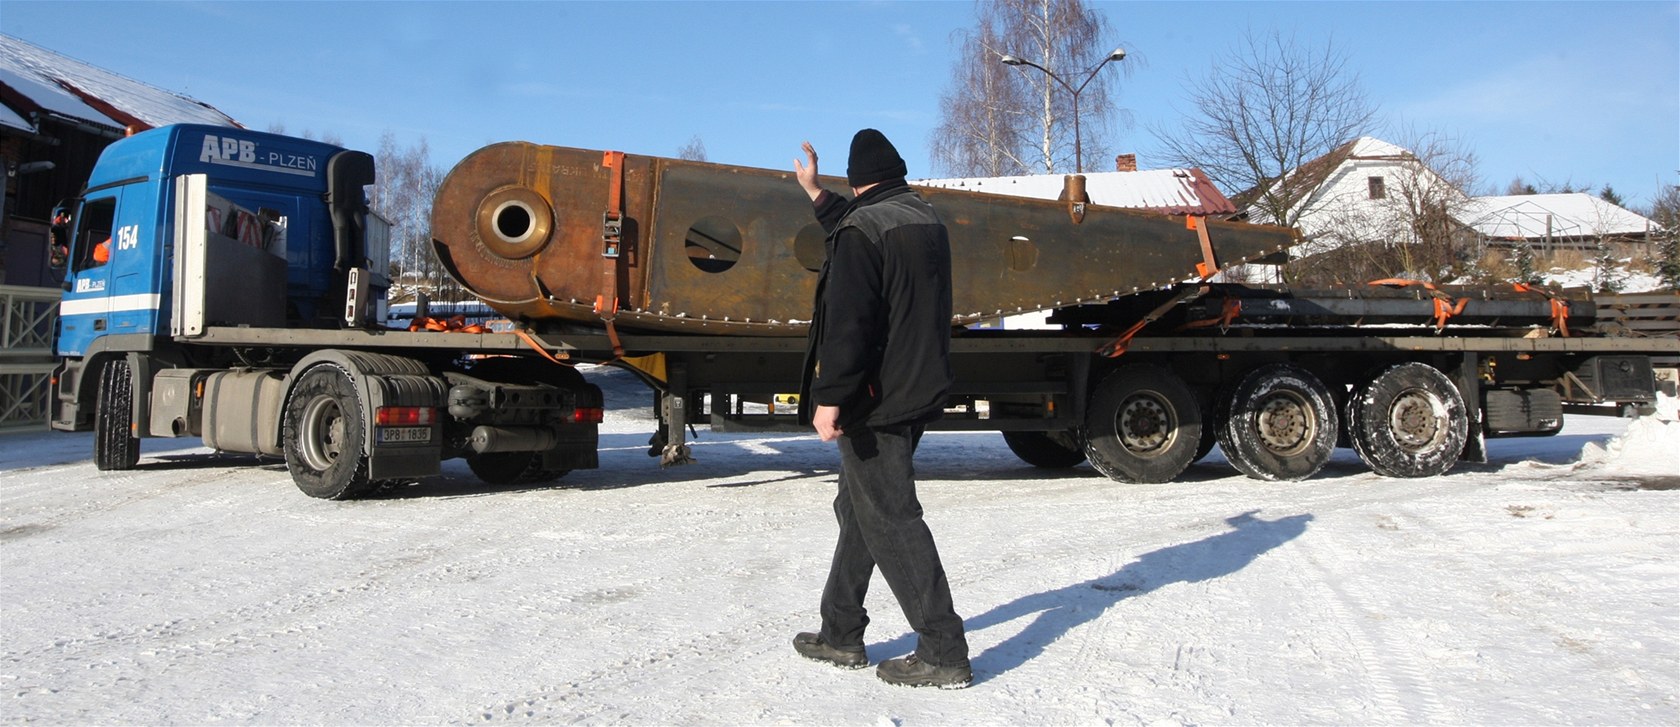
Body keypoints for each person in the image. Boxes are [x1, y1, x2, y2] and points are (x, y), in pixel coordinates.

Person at [789, 129, 971, 689]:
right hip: (917, 387)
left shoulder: (862, 232)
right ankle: (840, 630)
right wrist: (815, 193)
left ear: (857, 179)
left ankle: (944, 650)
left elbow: (849, 328)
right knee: (860, 507)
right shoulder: (920, 217)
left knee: (891, 517)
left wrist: (831, 399)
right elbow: (861, 225)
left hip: (877, 399)